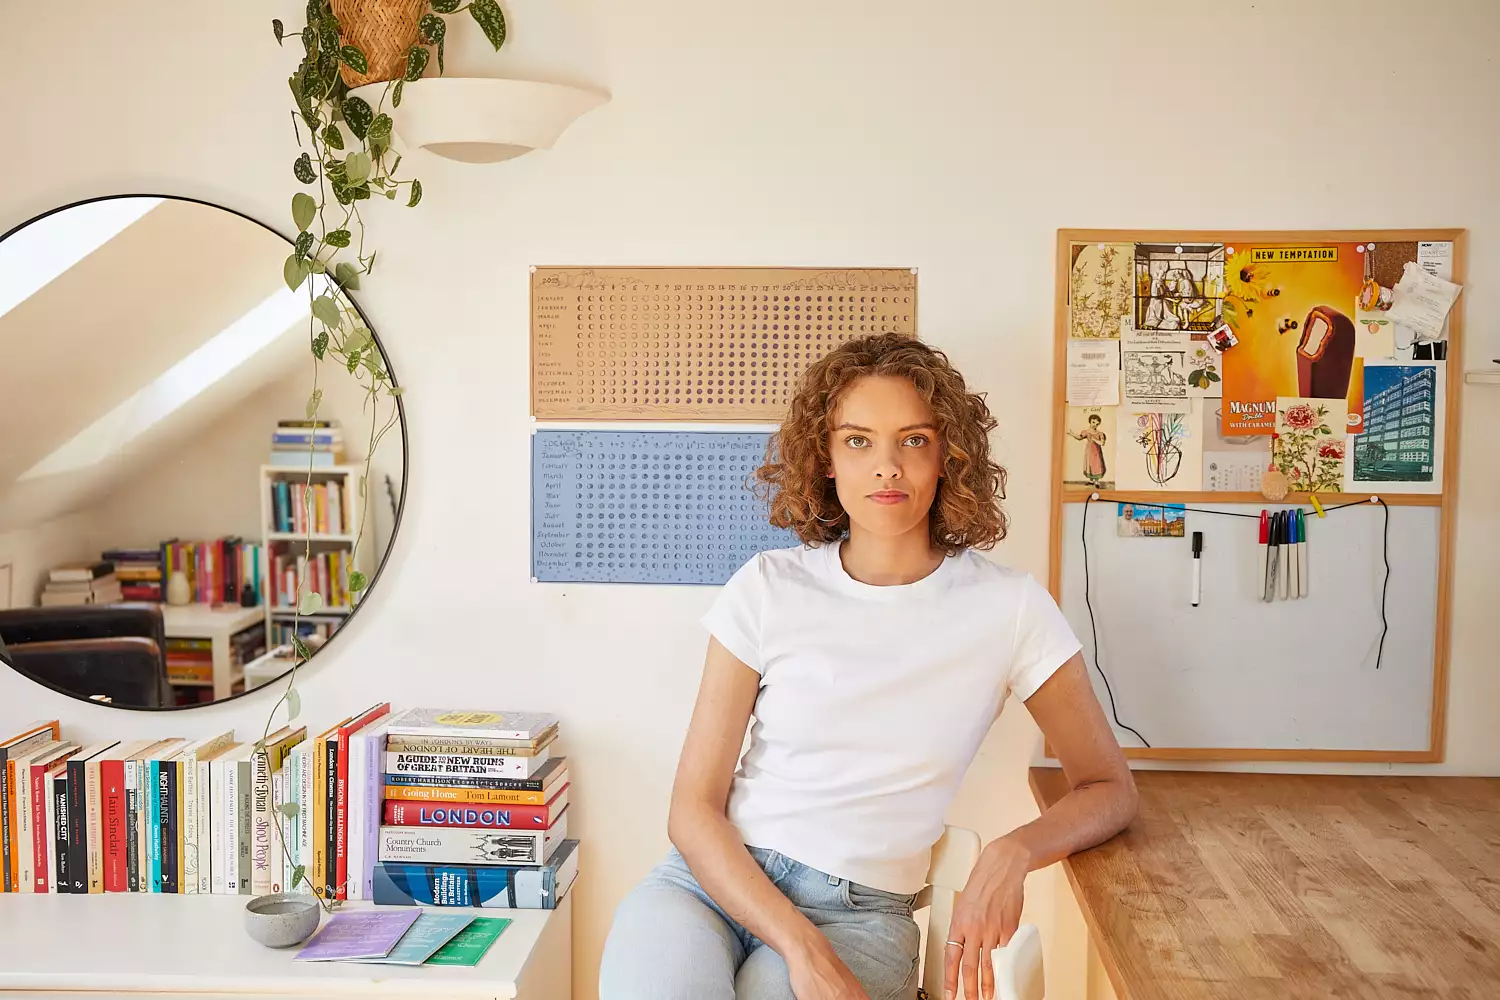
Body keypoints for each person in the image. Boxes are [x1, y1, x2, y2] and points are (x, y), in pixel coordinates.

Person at [599, 333, 1137, 1000]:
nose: (886, 467)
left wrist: (1014, 852)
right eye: (858, 440)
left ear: (947, 456)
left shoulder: (1010, 608)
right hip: (711, 886)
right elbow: (692, 809)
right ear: (825, 458)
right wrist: (798, 945)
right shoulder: (767, 586)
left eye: (912, 440)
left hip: (862, 914)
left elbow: (1109, 787)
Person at [1067, 412, 1108, 484]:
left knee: (1097, 464)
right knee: (1090, 464)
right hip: (1089, 451)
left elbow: (1102, 443)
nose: (1095, 425)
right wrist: (1072, 434)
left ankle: (1096, 482)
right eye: (1093, 422)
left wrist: (1094, 439)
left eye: (1097, 424)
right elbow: (1079, 438)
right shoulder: (1086, 432)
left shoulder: (1100, 433)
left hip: (1097, 452)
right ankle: (1091, 481)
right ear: (1090, 421)